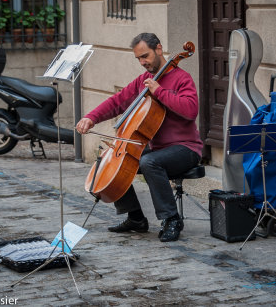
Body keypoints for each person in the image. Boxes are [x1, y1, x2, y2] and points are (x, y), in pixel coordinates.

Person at [76, 33, 203, 242]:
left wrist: (159, 91)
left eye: (145, 56)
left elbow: (191, 110)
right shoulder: (143, 81)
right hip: (159, 147)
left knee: (149, 161)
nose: (143, 62)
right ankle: (135, 218)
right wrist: (91, 117)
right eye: (139, 59)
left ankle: (171, 219)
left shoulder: (182, 78)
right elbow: (118, 101)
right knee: (118, 157)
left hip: (185, 148)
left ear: (159, 49)